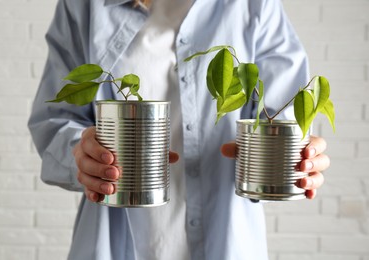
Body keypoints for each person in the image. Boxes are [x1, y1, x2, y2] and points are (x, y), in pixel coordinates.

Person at [28, 0, 330, 259]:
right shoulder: (86, 6)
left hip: (228, 240)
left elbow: (288, 114)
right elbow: (54, 119)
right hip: (113, 243)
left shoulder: (253, 5)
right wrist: (80, 154)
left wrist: (301, 158)